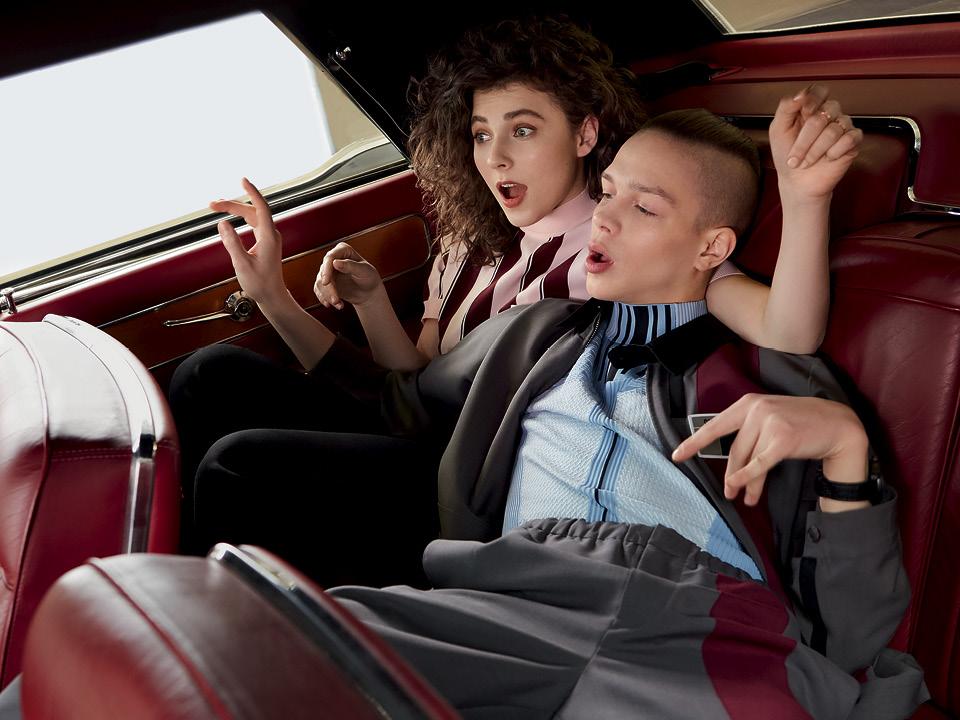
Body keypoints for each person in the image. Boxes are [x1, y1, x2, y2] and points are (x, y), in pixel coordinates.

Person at [170, 16, 847, 584]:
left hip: (485, 477)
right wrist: (319, 299)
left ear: (584, 135)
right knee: (208, 373)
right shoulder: (471, 243)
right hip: (423, 426)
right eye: (481, 134)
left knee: (239, 465)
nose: (495, 158)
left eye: (522, 130)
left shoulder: (630, 253)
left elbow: (784, 326)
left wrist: (804, 199)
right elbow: (414, 383)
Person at [307, 108, 927, 719]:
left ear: (712, 247)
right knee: (303, 645)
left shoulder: (762, 381)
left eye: (644, 208)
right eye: (606, 193)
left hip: (700, 619)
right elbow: (403, 401)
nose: (603, 217)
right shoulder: (532, 335)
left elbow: (852, 629)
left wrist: (847, 449)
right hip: (515, 597)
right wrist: (293, 303)